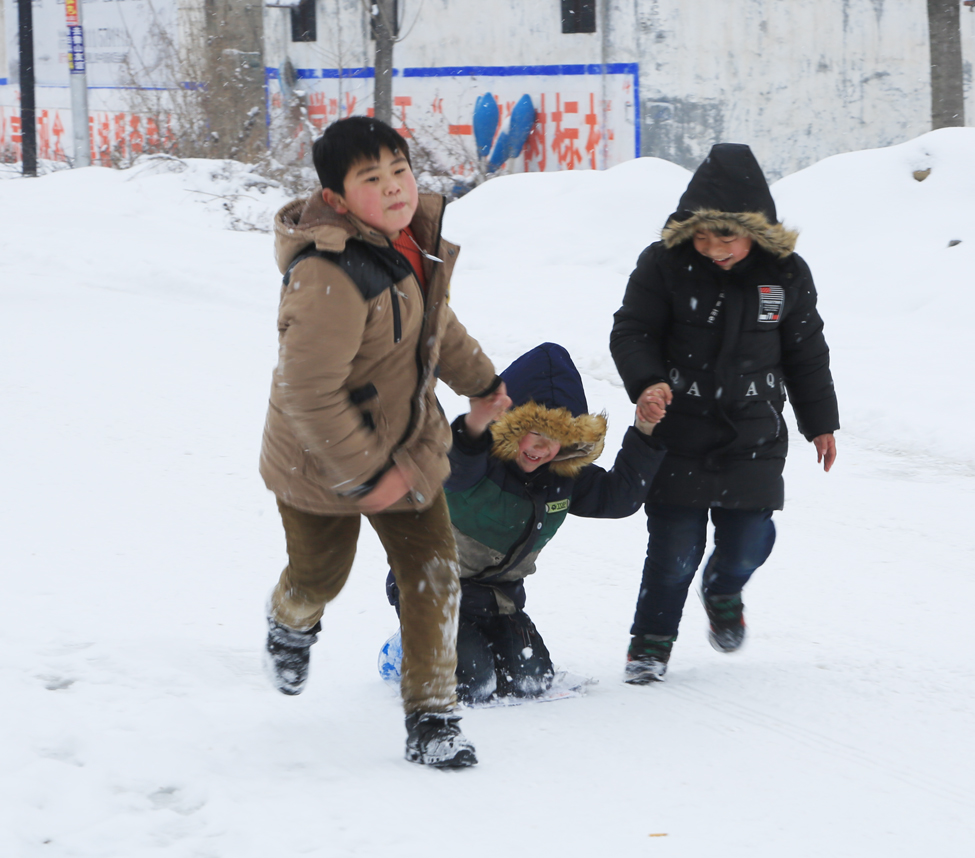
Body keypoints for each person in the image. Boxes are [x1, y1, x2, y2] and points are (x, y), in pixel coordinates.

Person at [259, 116, 507, 768]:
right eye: (373, 178)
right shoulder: (327, 276)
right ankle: (290, 620)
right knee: (320, 577)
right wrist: (368, 475)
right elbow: (308, 392)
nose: (396, 187)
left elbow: (437, 328)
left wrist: (484, 383)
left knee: (434, 576)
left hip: (407, 449)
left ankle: (432, 719)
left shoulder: (408, 245)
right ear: (338, 200)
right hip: (321, 465)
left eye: (400, 169)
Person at [609, 143, 840, 684]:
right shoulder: (664, 265)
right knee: (672, 551)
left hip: (752, 433)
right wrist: (647, 383)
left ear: (756, 230)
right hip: (677, 429)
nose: (712, 248)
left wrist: (820, 421)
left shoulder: (785, 275)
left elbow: (807, 350)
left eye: (726, 237)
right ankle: (650, 643)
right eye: (702, 235)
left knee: (748, 543)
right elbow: (632, 330)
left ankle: (724, 590)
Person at [385, 343, 668, 704]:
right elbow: (455, 465)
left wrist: (645, 430)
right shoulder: (476, 460)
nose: (540, 449)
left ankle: (471, 638)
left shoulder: (562, 475)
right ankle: (406, 647)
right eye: (531, 434)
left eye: (555, 439)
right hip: (432, 588)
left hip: (498, 599)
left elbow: (619, 498)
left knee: (531, 681)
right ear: (507, 424)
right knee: (474, 684)